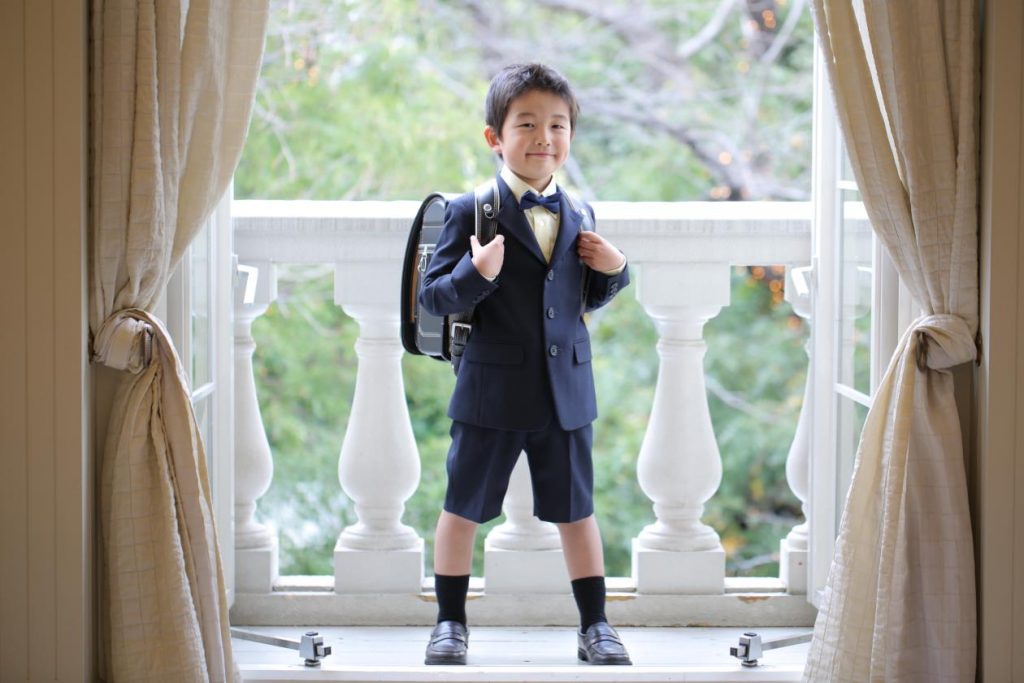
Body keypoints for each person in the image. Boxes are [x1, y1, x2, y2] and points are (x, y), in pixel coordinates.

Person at [418, 62, 633, 666]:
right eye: (528, 124)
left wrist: (616, 270)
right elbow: (433, 298)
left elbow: (582, 298)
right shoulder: (470, 211)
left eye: (558, 125)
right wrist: (475, 271)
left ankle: (596, 626)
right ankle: (449, 622)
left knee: (577, 511)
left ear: (571, 135)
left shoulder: (580, 211)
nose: (545, 137)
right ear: (495, 137)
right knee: (463, 507)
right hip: (490, 391)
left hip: (566, 392)